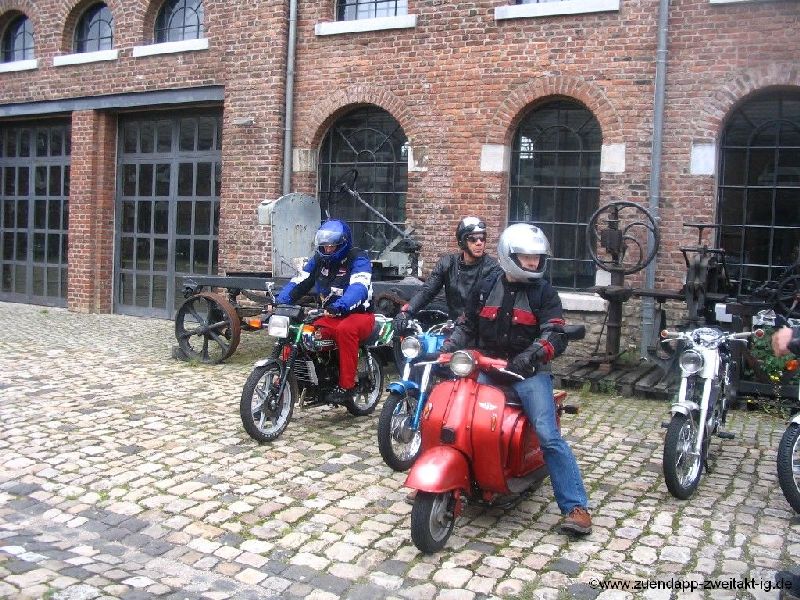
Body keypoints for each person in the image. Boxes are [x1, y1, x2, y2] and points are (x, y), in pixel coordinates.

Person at [439, 222, 592, 535]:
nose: (534, 263)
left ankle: (576, 506)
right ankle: (448, 482)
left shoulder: (544, 293)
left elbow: (555, 333)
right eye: (527, 257)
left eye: (537, 257)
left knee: (548, 435)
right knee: (454, 418)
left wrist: (531, 355)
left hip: (528, 374)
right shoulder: (486, 286)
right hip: (488, 369)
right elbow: (467, 325)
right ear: (509, 256)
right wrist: (449, 346)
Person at [275, 219, 374, 404]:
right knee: (298, 331)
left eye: (332, 246)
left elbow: (359, 287)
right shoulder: (318, 260)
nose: (328, 249)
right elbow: (300, 280)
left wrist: (341, 305)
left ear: (343, 244)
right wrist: (281, 301)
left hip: (358, 315)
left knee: (346, 330)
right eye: (325, 246)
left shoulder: (358, 258)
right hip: (329, 315)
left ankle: (347, 386)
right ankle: (289, 378)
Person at [393, 216, 501, 332]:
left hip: (481, 331)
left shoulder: (492, 268)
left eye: (482, 238)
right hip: (454, 329)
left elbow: (490, 305)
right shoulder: (448, 263)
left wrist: (468, 320)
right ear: (462, 241)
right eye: (473, 239)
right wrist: (407, 312)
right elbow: (428, 290)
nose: (479, 243)